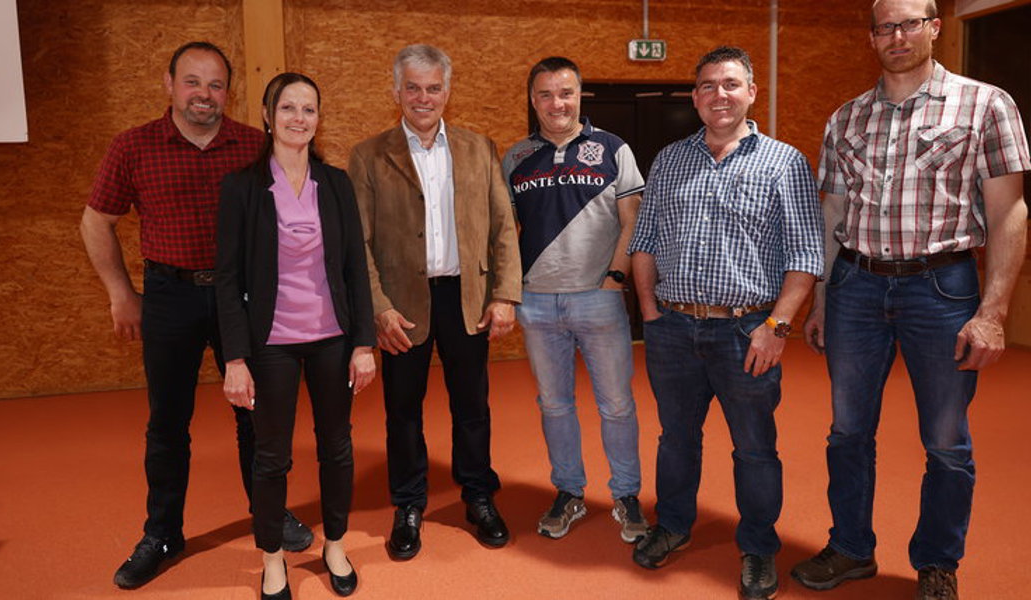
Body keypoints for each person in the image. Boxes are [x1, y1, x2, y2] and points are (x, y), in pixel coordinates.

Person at [790, 1, 1030, 598]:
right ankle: (851, 548)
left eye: (909, 23)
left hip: (942, 289)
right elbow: (832, 212)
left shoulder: (986, 105)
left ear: (934, 28)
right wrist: (822, 298)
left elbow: (1009, 212)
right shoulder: (846, 118)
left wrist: (993, 313)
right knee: (847, 431)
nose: (897, 36)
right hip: (855, 287)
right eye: (884, 27)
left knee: (946, 441)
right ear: (872, 37)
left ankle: (937, 562)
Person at [80, 41, 312, 590]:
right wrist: (120, 293)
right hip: (170, 296)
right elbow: (95, 221)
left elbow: (297, 219)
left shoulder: (255, 146)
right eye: (192, 81)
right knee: (167, 424)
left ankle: (269, 514)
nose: (203, 94)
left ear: (228, 92)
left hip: (246, 300)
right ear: (169, 84)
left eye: (215, 84)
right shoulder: (133, 146)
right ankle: (162, 533)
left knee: (258, 417)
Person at [627, 46, 824, 600]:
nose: (720, 95)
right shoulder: (670, 160)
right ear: (695, 97)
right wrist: (650, 313)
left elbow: (806, 255)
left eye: (731, 84)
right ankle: (672, 526)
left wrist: (777, 327)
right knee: (676, 439)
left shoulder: (784, 163)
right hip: (672, 328)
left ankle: (758, 547)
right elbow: (644, 242)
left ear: (752, 93)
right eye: (709, 85)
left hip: (746, 332)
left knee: (754, 448)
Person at [347, 43, 522, 560]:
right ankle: (408, 503)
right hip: (401, 308)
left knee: (473, 407)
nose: (423, 98)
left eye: (433, 88)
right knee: (402, 411)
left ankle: (478, 495)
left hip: (467, 299)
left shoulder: (478, 148)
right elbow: (356, 242)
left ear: (447, 91)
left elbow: (503, 228)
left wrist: (505, 294)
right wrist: (378, 307)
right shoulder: (368, 156)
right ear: (396, 91)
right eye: (413, 88)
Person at [215, 72, 376, 599]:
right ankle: (272, 558)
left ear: (318, 119)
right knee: (271, 456)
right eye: (288, 108)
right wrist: (235, 358)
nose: (298, 118)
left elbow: (355, 268)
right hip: (271, 343)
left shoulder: (336, 184)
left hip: (332, 337)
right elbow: (228, 280)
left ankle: (335, 545)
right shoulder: (241, 188)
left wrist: (363, 343)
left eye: (308, 109)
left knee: (337, 447)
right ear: (267, 116)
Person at [502, 56, 647, 543]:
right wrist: (510, 291)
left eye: (565, 93)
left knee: (617, 405)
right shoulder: (517, 157)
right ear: (533, 100)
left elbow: (632, 219)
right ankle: (569, 491)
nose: (556, 104)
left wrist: (615, 278)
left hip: (598, 299)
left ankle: (626, 494)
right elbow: (504, 232)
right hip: (537, 303)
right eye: (545, 94)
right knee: (554, 405)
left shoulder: (613, 148)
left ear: (580, 95)